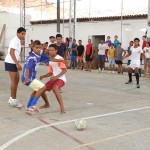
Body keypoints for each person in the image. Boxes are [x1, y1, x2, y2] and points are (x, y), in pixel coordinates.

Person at [27, 44, 67, 114]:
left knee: (55, 89)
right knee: (41, 88)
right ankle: (47, 104)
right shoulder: (50, 60)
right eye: (49, 50)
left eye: (52, 50)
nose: (51, 52)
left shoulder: (59, 58)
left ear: (56, 51)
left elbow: (65, 70)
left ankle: (62, 108)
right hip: (53, 78)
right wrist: (44, 76)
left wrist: (56, 77)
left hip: (61, 78)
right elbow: (50, 73)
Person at [21, 40, 50, 110]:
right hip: (28, 78)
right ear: (32, 47)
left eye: (40, 48)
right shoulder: (32, 58)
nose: (38, 49)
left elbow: (48, 58)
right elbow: (27, 69)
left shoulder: (38, 56)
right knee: (43, 88)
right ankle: (33, 105)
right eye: (37, 47)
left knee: (36, 90)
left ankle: (28, 106)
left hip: (31, 77)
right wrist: (27, 79)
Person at [5, 27, 26, 107]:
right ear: (17, 33)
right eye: (22, 34)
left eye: (24, 34)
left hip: (13, 62)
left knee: (16, 80)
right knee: (14, 81)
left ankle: (12, 98)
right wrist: (17, 64)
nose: (23, 36)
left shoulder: (18, 41)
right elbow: (11, 52)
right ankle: (13, 100)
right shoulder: (15, 40)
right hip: (11, 62)